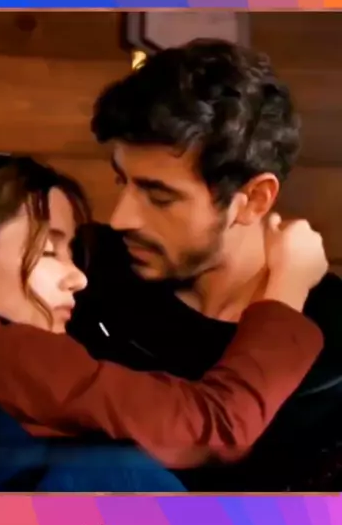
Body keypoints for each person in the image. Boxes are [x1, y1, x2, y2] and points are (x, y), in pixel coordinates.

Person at [0, 153, 326, 493]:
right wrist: (289, 285)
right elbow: (214, 424)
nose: (78, 278)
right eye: (48, 251)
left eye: (72, 253)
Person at [68, 38, 342, 492]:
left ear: (253, 199)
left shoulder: (334, 342)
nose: (121, 218)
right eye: (122, 181)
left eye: (159, 197)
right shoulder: (79, 275)